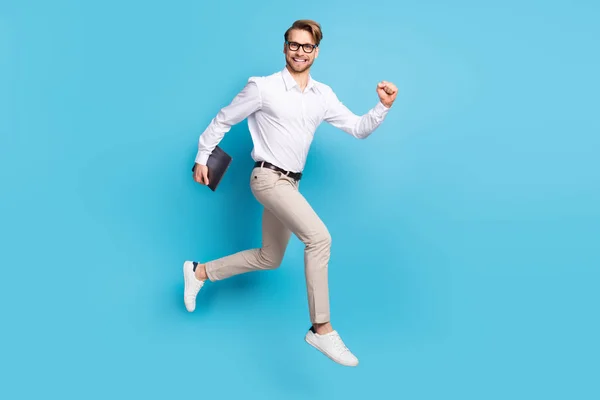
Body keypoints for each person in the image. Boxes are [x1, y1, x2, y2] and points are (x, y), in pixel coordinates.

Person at [183, 19, 397, 367]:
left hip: (291, 183)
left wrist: (382, 107)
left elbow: (358, 129)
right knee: (319, 239)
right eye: (294, 45)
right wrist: (202, 155)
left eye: (307, 46)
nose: (300, 52)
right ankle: (322, 329)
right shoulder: (262, 87)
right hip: (267, 179)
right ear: (284, 48)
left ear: (317, 51)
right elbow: (224, 118)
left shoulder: (322, 95)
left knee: (271, 257)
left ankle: (199, 272)